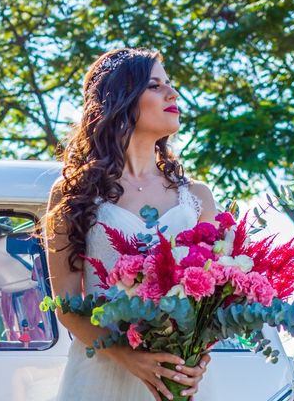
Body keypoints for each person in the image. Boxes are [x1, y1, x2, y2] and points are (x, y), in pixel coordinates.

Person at [44, 47, 219, 401]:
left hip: (178, 378)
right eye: (155, 86)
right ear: (121, 98)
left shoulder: (198, 196)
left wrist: (198, 359)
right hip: (100, 376)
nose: (173, 94)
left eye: (170, 84)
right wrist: (130, 358)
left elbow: (211, 300)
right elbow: (66, 307)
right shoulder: (73, 194)